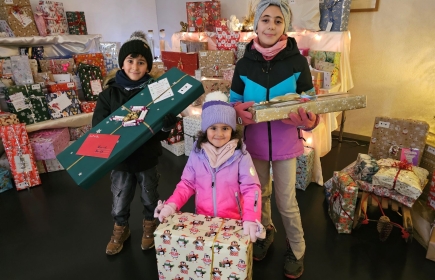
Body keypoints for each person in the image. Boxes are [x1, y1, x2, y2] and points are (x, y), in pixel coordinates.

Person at [229, 0, 320, 278]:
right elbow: (234, 101)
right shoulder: (243, 64)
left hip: (286, 146)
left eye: (278, 20)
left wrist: (309, 119)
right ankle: (266, 231)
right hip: (254, 146)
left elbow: (311, 103)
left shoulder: (297, 62)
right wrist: (236, 113)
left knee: (286, 200)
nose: (271, 25)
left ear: (285, 26)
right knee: (260, 195)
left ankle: (297, 248)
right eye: (265, 19)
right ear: (256, 24)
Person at [92, 31, 178, 255]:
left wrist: (166, 126)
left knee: (150, 195)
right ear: (122, 63)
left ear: (148, 67)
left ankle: (150, 226)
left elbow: (158, 133)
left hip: (146, 157)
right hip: (120, 161)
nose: (135, 66)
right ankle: (121, 228)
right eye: (130, 61)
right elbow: (98, 129)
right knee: (120, 197)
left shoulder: (156, 93)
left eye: (141, 62)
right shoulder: (108, 95)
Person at [154, 92, 265, 243]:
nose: (219, 134)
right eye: (213, 128)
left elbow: (251, 188)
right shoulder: (197, 153)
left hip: (234, 223)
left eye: (225, 128)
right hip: (204, 221)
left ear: (232, 130)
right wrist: (172, 205)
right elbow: (187, 184)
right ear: (206, 129)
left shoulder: (241, 155)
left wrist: (251, 218)